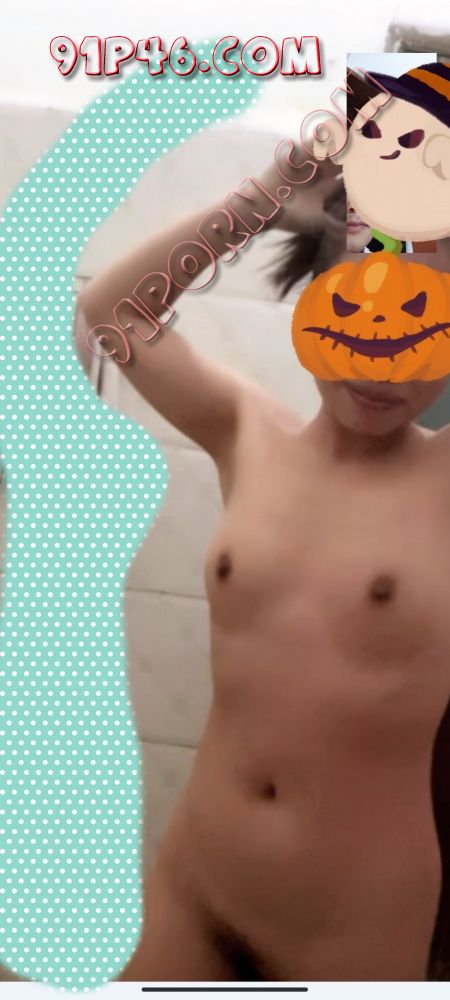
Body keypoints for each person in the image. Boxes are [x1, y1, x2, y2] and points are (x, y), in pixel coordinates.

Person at [77, 158, 450, 982]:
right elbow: (110, 312)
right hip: (197, 884)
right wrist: (265, 199)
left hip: (354, 922)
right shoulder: (247, 431)